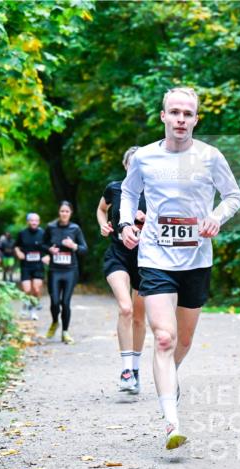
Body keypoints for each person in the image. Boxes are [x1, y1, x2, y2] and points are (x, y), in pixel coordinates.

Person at [119, 87, 240, 449]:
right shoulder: (145, 157)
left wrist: (216, 217)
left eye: (188, 114)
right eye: (175, 112)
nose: (181, 119)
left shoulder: (210, 157)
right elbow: (128, 192)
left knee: (183, 341)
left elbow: (233, 196)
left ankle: (168, 377)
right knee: (164, 338)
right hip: (155, 258)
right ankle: (172, 423)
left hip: (196, 260)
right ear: (163, 116)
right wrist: (126, 223)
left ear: (196, 119)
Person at [97, 146, 148, 394]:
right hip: (117, 255)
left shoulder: (155, 191)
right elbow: (101, 209)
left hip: (146, 259)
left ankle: (135, 369)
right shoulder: (114, 188)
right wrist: (103, 225)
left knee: (139, 316)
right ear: (126, 165)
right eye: (132, 163)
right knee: (125, 308)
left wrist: (147, 221)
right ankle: (126, 370)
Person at [44, 201, 87, 344]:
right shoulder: (51, 227)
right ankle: (55, 321)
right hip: (54, 270)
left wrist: (73, 245)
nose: (64, 214)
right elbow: (42, 244)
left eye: (67, 211)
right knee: (55, 302)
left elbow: (84, 249)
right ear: (59, 212)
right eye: (62, 211)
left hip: (70, 270)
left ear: (71, 213)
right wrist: (49, 250)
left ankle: (65, 332)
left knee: (65, 302)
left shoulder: (75, 228)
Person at [14, 213, 49, 320]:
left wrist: (48, 256)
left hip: (38, 265)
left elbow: (50, 247)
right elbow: (16, 246)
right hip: (26, 266)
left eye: (36, 220)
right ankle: (25, 306)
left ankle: (33, 310)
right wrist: (18, 252)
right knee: (27, 289)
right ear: (28, 222)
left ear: (39, 222)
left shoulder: (43, 233)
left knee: (36, 290)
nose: (34, 222)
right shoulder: (22, 233)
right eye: (32, 220)